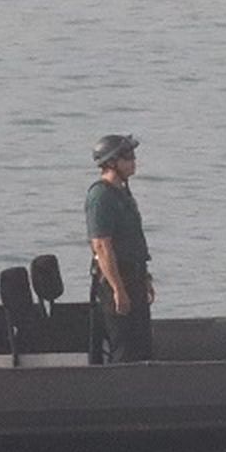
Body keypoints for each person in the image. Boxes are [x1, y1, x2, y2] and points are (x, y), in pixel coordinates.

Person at [85, 134, 154, 363]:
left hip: (135, 277)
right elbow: (102, 246)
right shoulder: (101, 196)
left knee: (142, 345)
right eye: (128, 157)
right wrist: (118, 289)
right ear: (112, 162)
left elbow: (134, 242)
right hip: (117, 279)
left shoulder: (122, 193)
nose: (133, 161)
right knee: (124, 347)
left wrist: (145, 278)